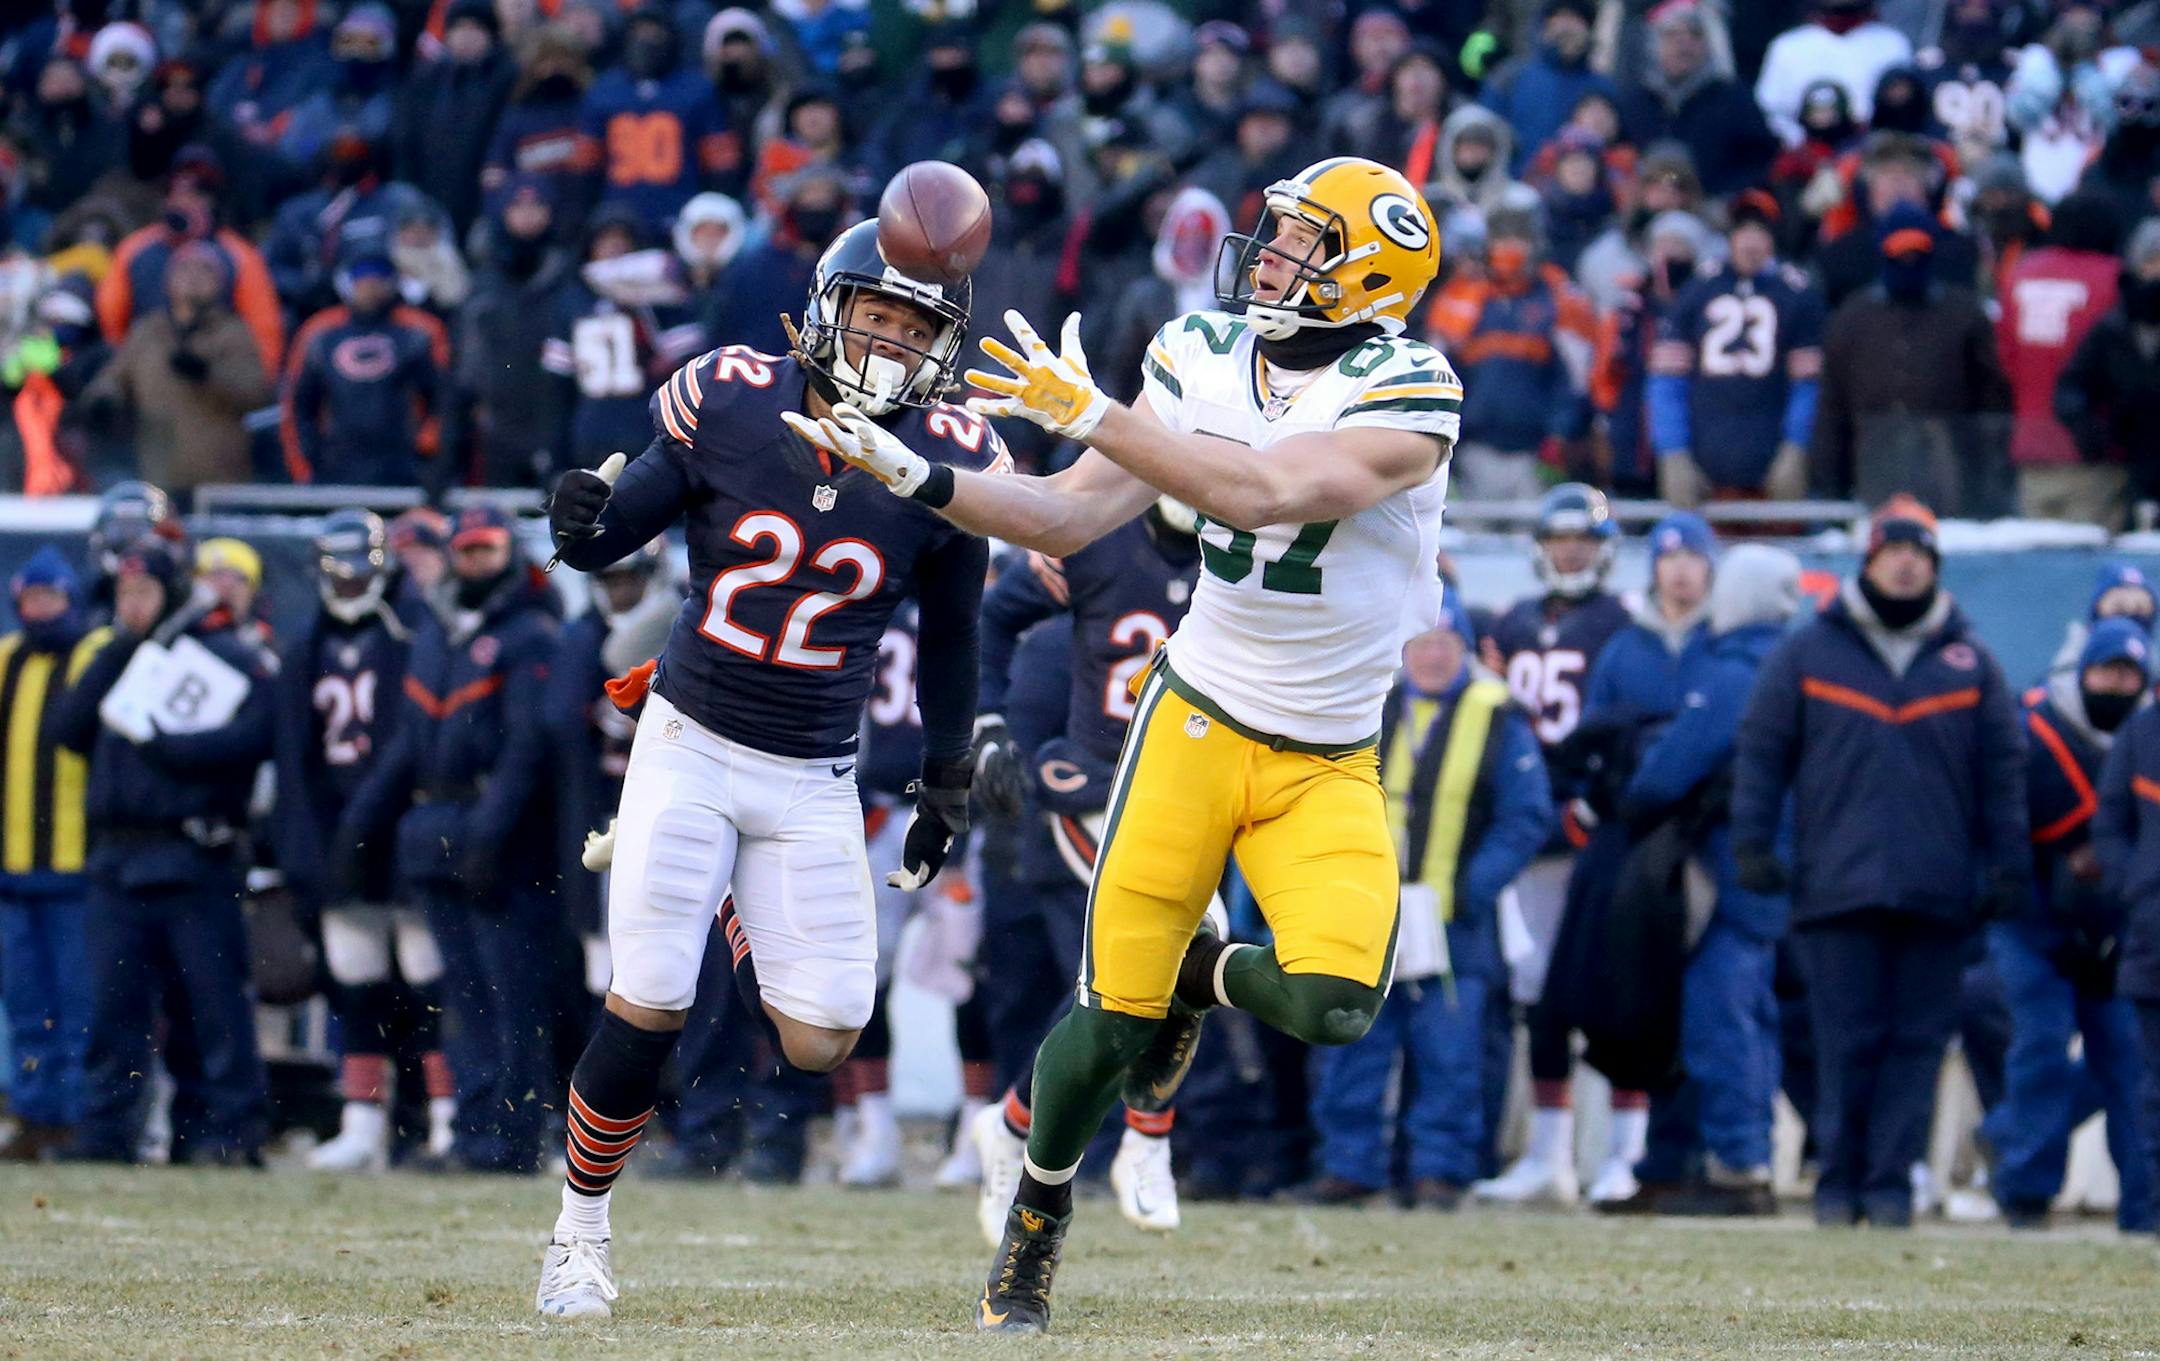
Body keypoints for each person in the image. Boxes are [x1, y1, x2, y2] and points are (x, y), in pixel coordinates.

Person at [788, 155, 1455, 1334]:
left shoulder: (1410, 385)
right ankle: (1031, 1236)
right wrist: (921, 476)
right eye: (1282, 232)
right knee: (1103, 1019)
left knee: (1339, 1001)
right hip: (1193, 717)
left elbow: (1259, 495)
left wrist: (1091, 410)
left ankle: (1202, 974)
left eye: (1308, 244)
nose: (1275, 255)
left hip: (1327, 753)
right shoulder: (1199, 352)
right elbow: (1061, 512)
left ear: (1372, 278)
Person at [534, 215, 1005, 1320]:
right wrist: (581, 523)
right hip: (690, 738)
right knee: (649, 994)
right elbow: (620, 527)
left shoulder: (954, 454)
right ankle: (579, 1235)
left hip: (814, 771)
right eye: (876, 316)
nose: (891, 345)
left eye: (915, 326)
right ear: (824, 311)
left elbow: (951, 635)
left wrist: (943, 775)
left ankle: (738, 903)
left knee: (824, 1031)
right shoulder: (738, 396)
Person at [1733, 495, 2029, 1227]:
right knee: (1844, 1041)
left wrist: (2005, 866)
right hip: (1836, 888)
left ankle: (1891, 1186)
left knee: (1918, 1045)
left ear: (1935, 566)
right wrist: (1753, 841)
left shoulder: (1972, 661)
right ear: (1868, 560)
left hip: (1937, 891)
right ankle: (1838, 1185)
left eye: (1921, 553)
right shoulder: (1808, 650)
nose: (1906, 563)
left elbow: (2003, 773)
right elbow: (1764, 754)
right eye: (1894, 549)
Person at [970, 496, 1205, 1238]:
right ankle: (1148, 1136)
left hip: (1190, 792)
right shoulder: (1097, 543)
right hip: (1097, 786)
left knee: (1128, 996)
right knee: (1165, 964)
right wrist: (987, 724)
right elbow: (995, 615)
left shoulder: (1240, 554)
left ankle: (1012, 1125)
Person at [335, 503, 560, 1176]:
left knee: (510, 995)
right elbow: (411, 741)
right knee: (460, 996)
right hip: (433, 829)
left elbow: (526, 749)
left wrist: (490, 833)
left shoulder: (529, 634)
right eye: (465, 550)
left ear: (509, 554)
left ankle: (514, 1137)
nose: (474, 562)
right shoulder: (437, 632)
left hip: (498, 840)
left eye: (487, 549)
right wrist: (362, 824)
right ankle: (470, 1130)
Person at [1310, 599, 1552, 1209]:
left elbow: (1526, 817)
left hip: (1453, 920)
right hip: (1370, 913)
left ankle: (1440, 1172)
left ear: (1465, 650)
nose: (1433, 653)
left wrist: (1472, 888)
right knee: (1352, 1042)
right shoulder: (1371, 708)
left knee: (1452, 1051)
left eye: (1446, 642)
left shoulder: (1498, 716)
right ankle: (1350, 1167)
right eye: (1421, 641)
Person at [49, 532, 276, 1165]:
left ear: (171, 592)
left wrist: (167, 749)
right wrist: (125, 647)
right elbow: (67, 728)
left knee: (213, 1009)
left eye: (144, 592)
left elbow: (254, 737)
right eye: (123, 593)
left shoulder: (224, 653)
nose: (131, 604)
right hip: (118, 862)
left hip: (193, 857)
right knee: (112, 1010)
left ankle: (227, 1134)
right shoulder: (119, 652)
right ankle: (105, 1133)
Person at [1610, 544, 1805, 1215]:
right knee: (1751, 1015)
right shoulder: (1795, 662)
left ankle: (1737, 1166)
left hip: (1724, 870)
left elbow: (1666, 772)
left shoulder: (1735, 672)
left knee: (1721, 1016)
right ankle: (1732, 1156)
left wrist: (1634, 791)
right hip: (1774, 870)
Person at [274, 510, 453, 1172]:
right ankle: (364, 1119)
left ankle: (442, 1117)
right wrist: (304, 848)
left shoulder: (411, 631)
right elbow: (293, 757)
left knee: (428, 978)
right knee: (355, 981)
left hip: (400, 831)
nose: (350, 584)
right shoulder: (307, 645)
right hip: (337, 835)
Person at [1475, 483, 1633, 1206]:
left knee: (1610, 984)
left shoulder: (1620, 625)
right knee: (1535, 990)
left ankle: (1620, 1153)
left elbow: (1627, 729)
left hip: (1589, 825)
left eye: (1583, 540)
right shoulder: (1507, 626)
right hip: (1526, 831)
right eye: (1560, 539)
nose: (1571, 552)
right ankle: (1547, 1153)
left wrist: (1591, 806)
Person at [1986, 617, 2153, 1231]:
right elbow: (2002, 834)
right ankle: (2025, 1191)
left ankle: (2144, 1208)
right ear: (2083, 672)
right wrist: (2038, 912)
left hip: (2118, 927)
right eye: (2107, 670)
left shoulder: (2146, 738)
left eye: (2129, 674)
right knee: (2041, 1046)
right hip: (2034, 923)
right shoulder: (2033, 731)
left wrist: (2117, 927)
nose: (2116, 684)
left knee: (2130, 1063)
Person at [0, 549, 102, 1161]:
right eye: (32, 599)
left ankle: (77, 1115)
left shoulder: (90, 656)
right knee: (25, 1001)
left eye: (51, 599)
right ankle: (36, 1115)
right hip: (12, 865)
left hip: (76, 862)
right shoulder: (6, 657)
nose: (41, 610)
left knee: (77, 999)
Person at [1812, 203, 2011, 509]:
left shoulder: (1963, 314)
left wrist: (1985, 479)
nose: (1908, 261)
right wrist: (1829, 484)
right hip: (1870, 467)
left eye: (1916, 253)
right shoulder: (1853, 317)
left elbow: (1991, 402)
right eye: (1899, 253)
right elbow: (1832, 407)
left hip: (1947, 471)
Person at [1649, 192, 1822, 505]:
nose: (1751, 243)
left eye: (1760, 232)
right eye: (1743, 231)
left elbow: (1807, 385)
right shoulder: (1697, 290)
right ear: (1730, 237)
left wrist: (1796, 447)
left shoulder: (1798, 294)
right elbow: (1667, 381)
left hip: (1772, 461)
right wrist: (1673, 452)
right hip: (1704, 463)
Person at [81, 241, 272, 496]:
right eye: (184, 269)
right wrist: (102, 399)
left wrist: (208, 376)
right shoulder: (148, 331)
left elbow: (256, 393)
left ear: (220, 283)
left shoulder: (234, 334)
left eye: (205, 270)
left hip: (218, 480)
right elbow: (115, 376)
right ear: (168, 280)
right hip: (158, 475)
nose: (193, 277)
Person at [1998, 193, 2123, 526]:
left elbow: (2005, 357)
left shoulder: (2022, 273)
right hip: (2093, 449)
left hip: (2030, 442)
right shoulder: (2112, 278)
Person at [281, 250, 449, 488]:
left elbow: (445, 399)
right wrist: (304, 467)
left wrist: (429, 454)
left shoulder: (420, 331)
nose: (370, 286)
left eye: (379, 278)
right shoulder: (319, 332)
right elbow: (297, 404)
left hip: (405, 468)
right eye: (362, 278)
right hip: (335, 467)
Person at [1617, 1, 1778, 198]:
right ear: (1653, 44)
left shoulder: (1733, 99)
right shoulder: (1636, 102)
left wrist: (1727, 199)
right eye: (1672, 35)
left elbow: (1760, 160)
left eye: (1695, 34)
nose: (1684, 43)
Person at [2055, 218, 2160, 513]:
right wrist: (2089, 428)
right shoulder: (2113, 328)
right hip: (2124, 468)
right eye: (2153, 261)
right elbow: (2071, 386)